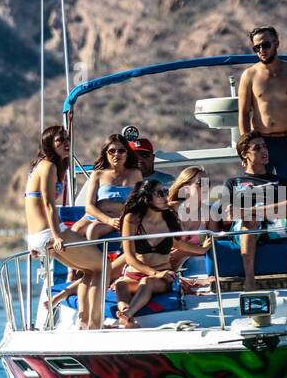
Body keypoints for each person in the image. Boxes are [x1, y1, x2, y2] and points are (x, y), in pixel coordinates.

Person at [21, 125, 105, 329]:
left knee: (89, 270)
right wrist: (57, 236)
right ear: (49, 144)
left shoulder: (42, 166)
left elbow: (31, 204)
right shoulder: (48, 165)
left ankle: (85, 322)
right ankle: (95, 324)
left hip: (39, 235)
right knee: (104, 265)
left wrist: (34, 242)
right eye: (60, 140)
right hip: (49, 233)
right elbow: (49, 204)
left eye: (67, 139)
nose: (66, 143)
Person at [114, 179, 208, 328]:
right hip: (135, 274)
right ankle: (125, 313)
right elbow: (130, 257)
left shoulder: (169, 218)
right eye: (160, 193)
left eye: (166, 193)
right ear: (147, 197)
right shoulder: (132, 219)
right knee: (120, 285)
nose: (165, 197)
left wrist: (202, 249)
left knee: (147, 282)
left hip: (162, 276)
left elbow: (177, 243)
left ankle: (127, 315)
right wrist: (153, 272)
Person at [223, 131, 287, 291]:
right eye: (257, 148)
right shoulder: (234, 182)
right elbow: (229, 216)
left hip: (275, 224)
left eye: (265, 146)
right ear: (245, 154)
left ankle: (253, 212)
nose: (264, 151)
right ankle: (249, 280)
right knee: (249, 221)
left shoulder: (280, 181)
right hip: (246, 227)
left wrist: (251, 210)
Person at [236, 26, 287, 196]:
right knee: (256, 192)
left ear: (276, 42)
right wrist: (246, 148)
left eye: (265, 45)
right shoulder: (249, 75)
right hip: (260, 142)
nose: (261, 50)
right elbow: (244, 113)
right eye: (257, 48)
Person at [72, 134, 143, 242]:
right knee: (74, 231)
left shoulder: (135, 174)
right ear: (106, 153)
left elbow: (141, 202)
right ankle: (82, 259)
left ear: (127, 153)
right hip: (96, 217)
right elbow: (89, 206)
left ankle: (97, 259)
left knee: (93, 230)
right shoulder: (97, 174)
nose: (116, 154)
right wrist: (108, 220)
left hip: (119, 219)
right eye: (112, 151)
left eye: (121, 151)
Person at [167, 166, 220, 272]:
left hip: (190, 267)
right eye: (200, 183)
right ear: (185, 188)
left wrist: (184, 252)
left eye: (207, 183)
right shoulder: (169, 209)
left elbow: (213, 245)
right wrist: (199, 249)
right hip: (159, 267)